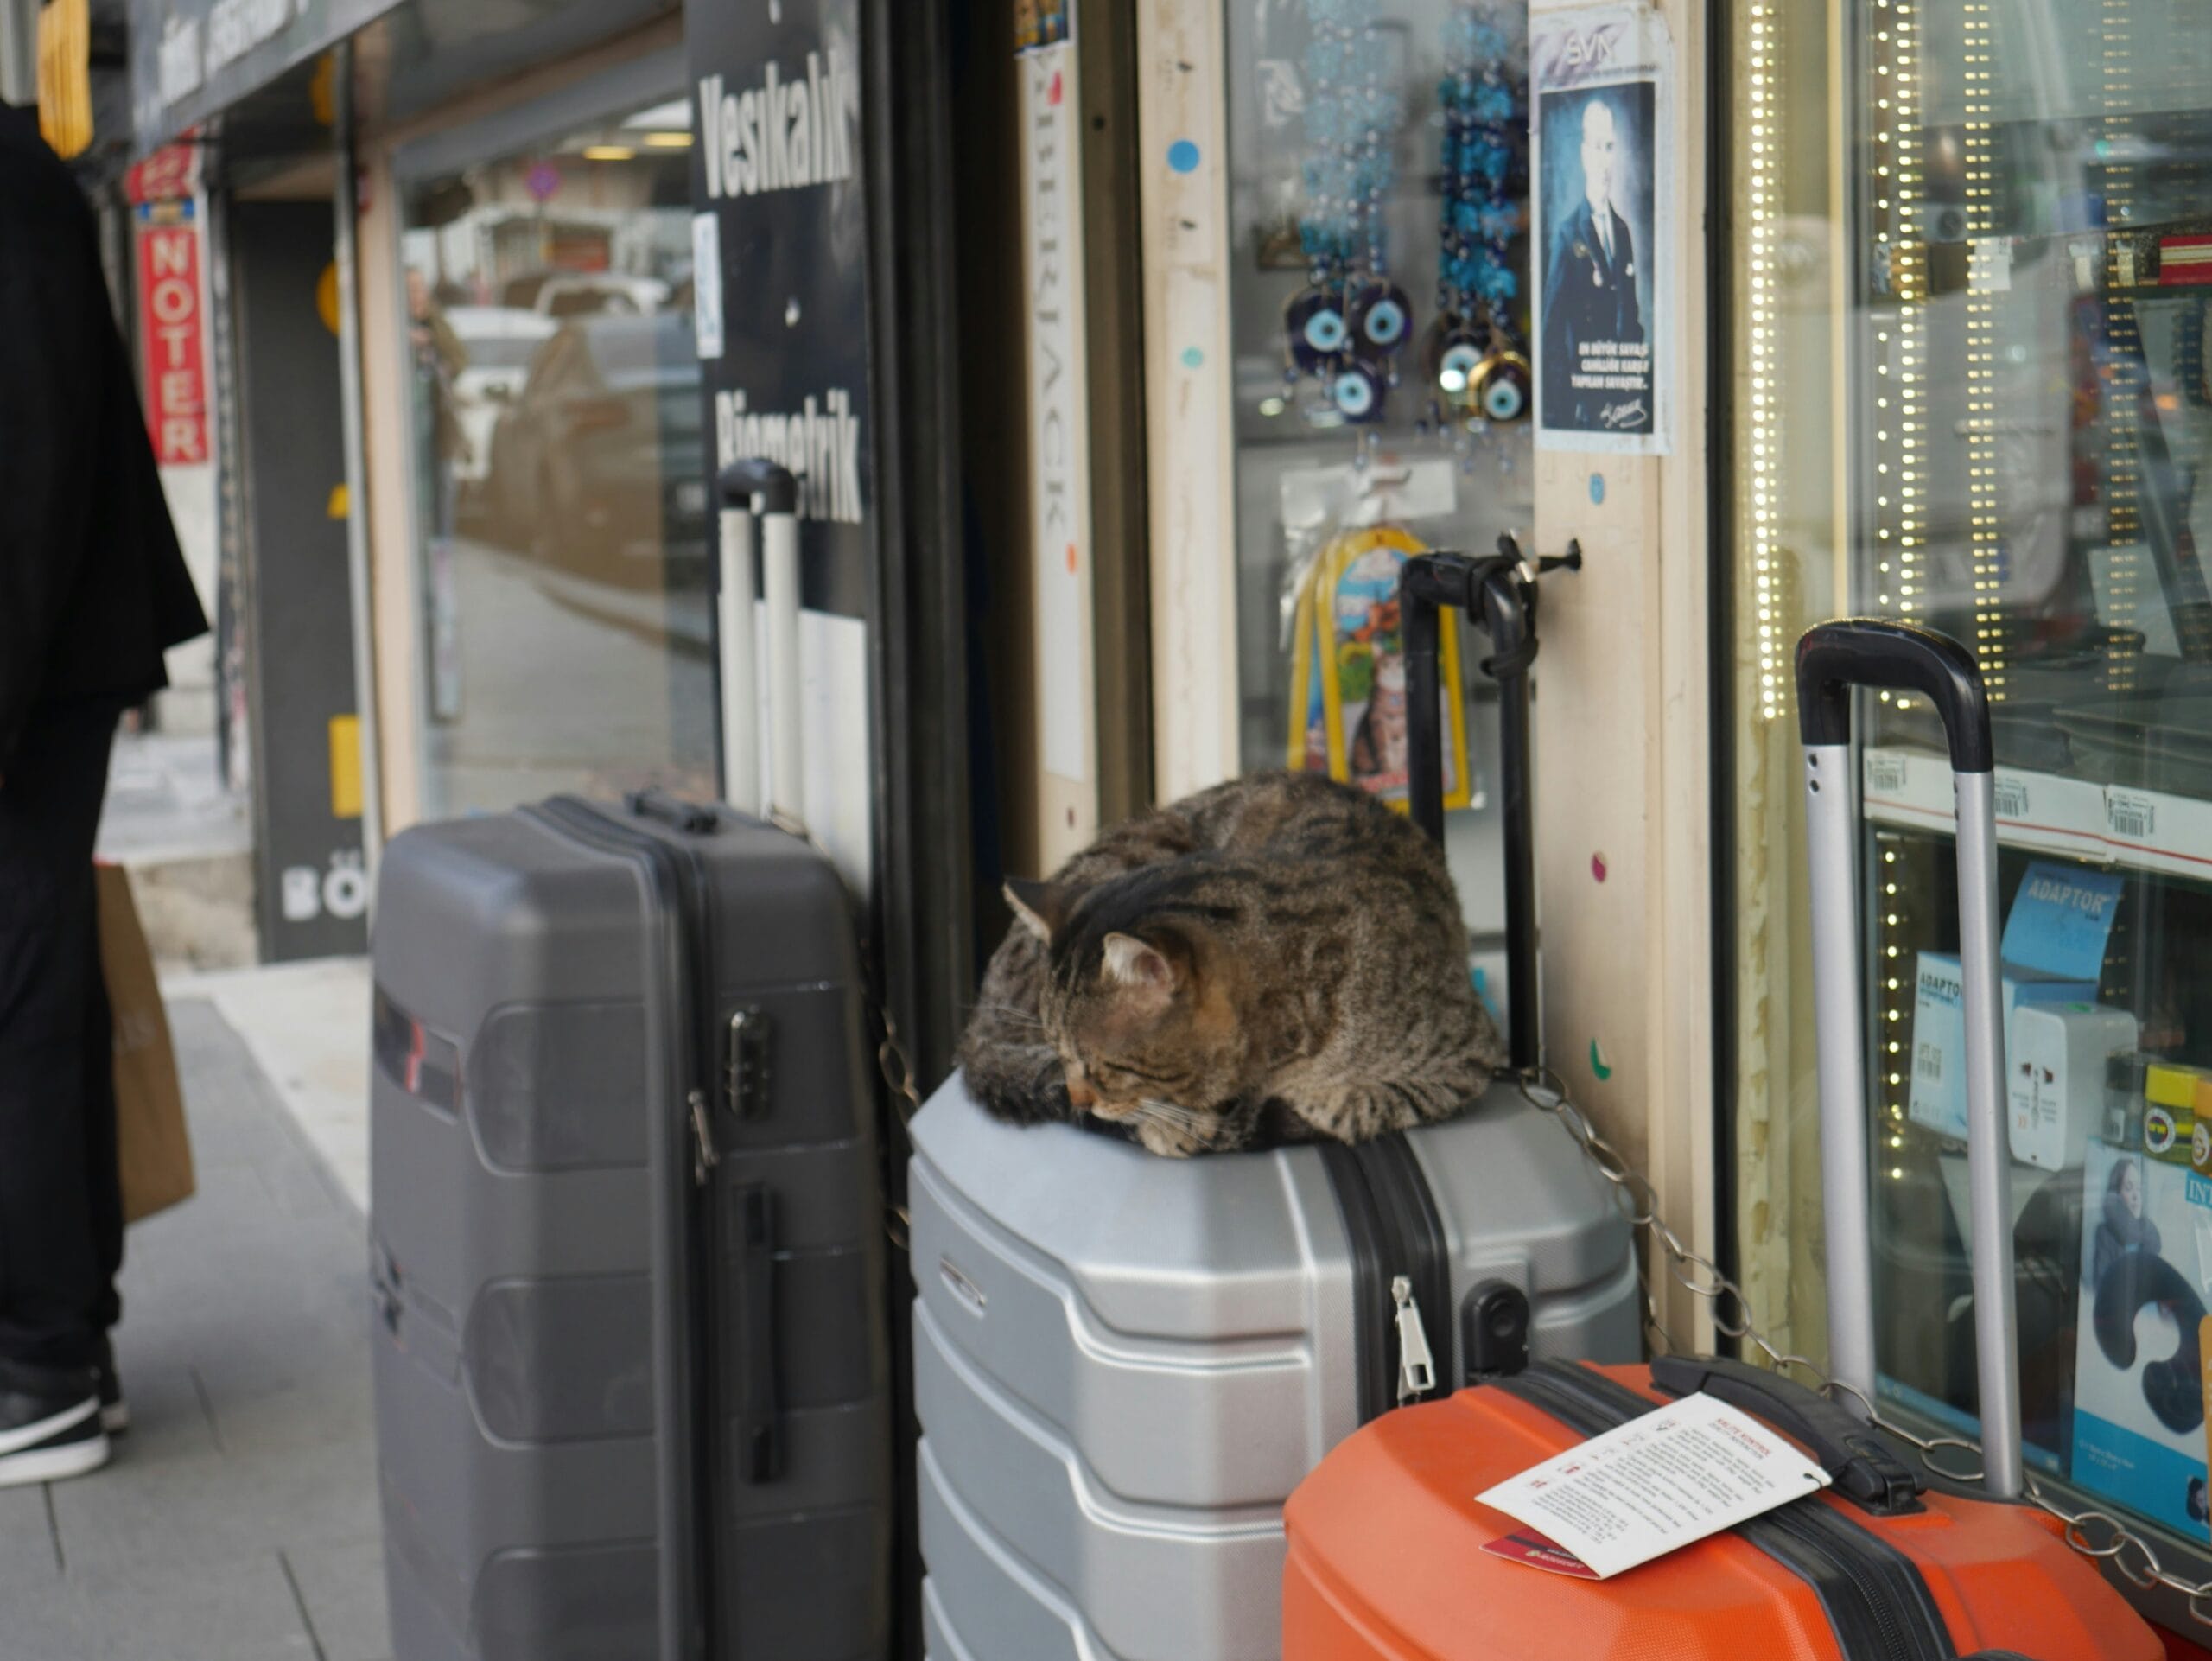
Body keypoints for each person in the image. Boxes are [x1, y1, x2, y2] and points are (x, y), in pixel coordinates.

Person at [0, 105, 208, 1486]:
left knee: (19, 996)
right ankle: (67, 1343)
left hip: (32, 659)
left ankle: (38, 1361)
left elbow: (29, 452)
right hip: (45, 651)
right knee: (37, 986)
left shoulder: (4, 183)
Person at [1541, 96, 1646, 433]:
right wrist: (1562, 410)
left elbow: (1630, 314)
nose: (1604, 159)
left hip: (1624, 400)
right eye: (1597, 147)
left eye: (1610, 146)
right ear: (1585, 153)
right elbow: (1552, 329)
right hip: (1584, 405)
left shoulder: (1623, 231)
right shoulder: (1568, 233)